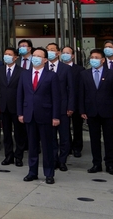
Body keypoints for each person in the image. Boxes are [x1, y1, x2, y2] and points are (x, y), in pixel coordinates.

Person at [18, 48, 60, 184]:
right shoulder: (25, 74)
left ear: (45, 60)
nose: (35, 58)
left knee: (47, 146)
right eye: (34, 55)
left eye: (38, 56)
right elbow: (20, 95)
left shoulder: (51, 76)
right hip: (29, 114)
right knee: (32, 145)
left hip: (46, 115)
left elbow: (56, 98)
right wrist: (20, 113)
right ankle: (32, 172)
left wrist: (55, 116)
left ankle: (49, 173)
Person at [78, 48, 113, 176]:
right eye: (92, 57)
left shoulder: (112, 74)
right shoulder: (84, 74)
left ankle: (110, 164)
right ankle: (96, 163)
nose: (94, 60)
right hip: (91, 112)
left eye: (96, 58)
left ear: (103, 60)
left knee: (109, 139)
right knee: (94, 139)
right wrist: (82, 110)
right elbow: (81, 94)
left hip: (108, 112)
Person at [46, 42, 74, 172]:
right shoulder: (42, 67)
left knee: (64, 137)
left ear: (58, 53)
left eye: (52, 50)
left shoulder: (65, 68)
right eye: (48, 50)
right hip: (47, 108)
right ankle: (53, 159)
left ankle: (62, 160)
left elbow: (71, 90)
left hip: (63, 108)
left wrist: (70, 106)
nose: (50, 52)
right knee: (50, 137)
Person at [0, 47, 24, 167]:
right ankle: (8, 156)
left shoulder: (22, 71)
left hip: (17, 107)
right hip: (3, 106)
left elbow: (23, 91)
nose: (6, 56)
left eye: (9, 54)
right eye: (5, 54)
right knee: (6, 133)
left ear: (16, 57)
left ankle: (19, 156)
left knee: (19, 134)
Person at [60, 46, 85, 158]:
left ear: (73, 56)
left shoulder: (79, 69)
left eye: (68, 53)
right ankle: (67, 146)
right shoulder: (58, 68)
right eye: (63, 52)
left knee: (77, 126)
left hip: (76, 102)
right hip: (62, 102)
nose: (65, 54)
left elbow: (81, 88)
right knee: (64, 127)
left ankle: (77, 147)